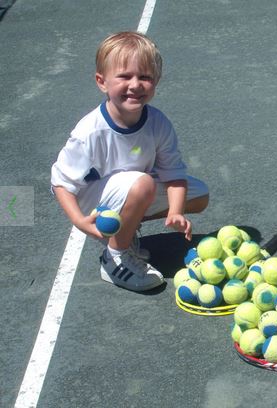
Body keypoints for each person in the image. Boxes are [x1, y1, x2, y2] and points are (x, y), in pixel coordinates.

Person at [51, 32, 209, 292]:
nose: (135, 84)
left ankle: (126, 229)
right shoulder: (89, 131)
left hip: (131, 188)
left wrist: (176, 212)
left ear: (156, 82)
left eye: (145, 77)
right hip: (91, 200)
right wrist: (79, 220)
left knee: (199, 194)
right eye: (125, 76)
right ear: (102, 82)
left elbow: (174, 175)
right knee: (143, 183)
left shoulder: (158, 123)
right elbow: (61, 183)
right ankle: (115, 258)